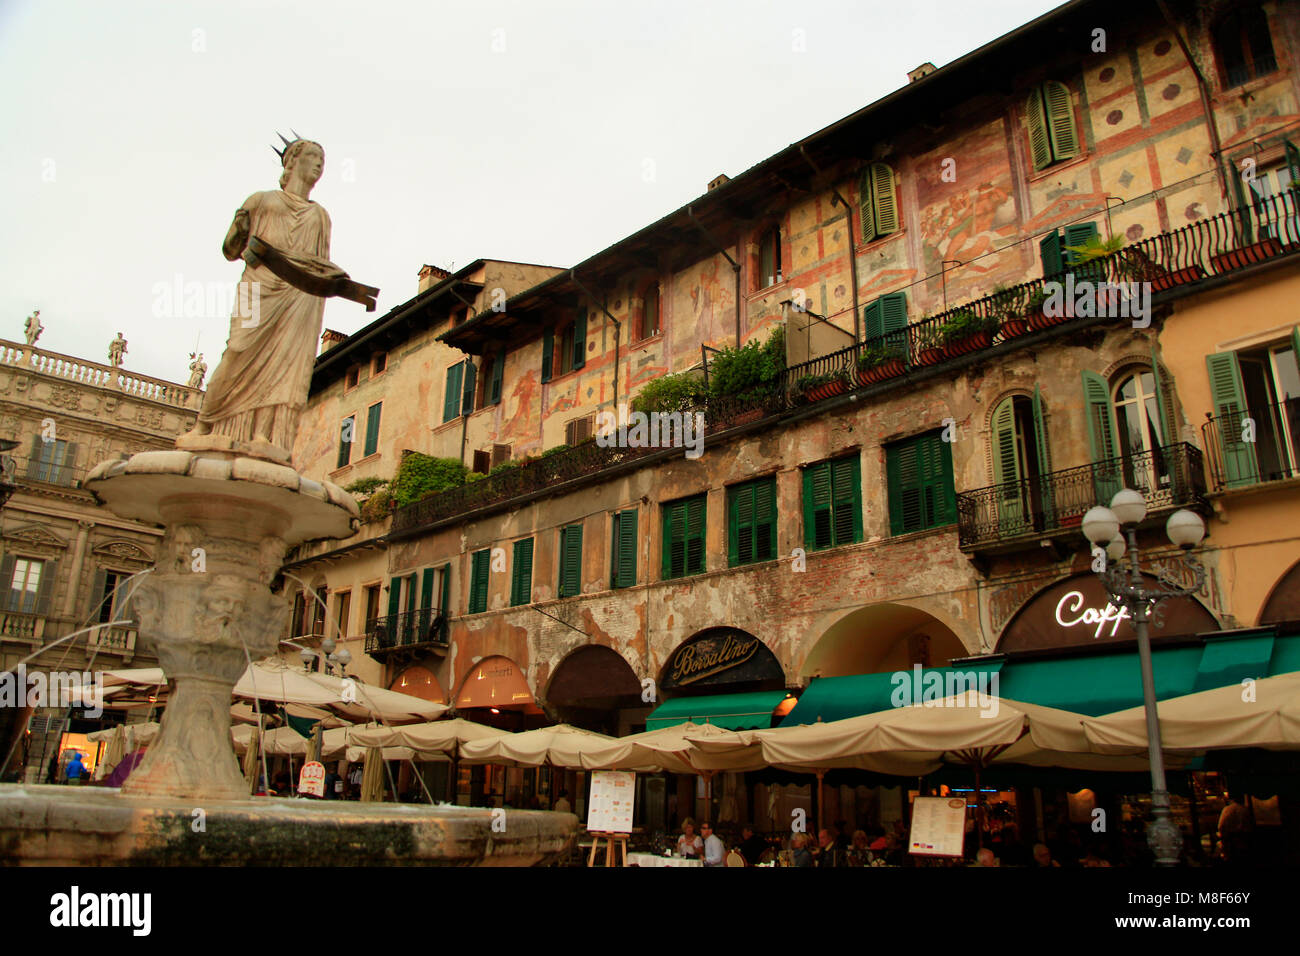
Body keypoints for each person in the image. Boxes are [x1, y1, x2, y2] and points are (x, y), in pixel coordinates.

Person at [1218, 793, 1249, 864]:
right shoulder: (1245, 810)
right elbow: (1248, 827)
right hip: (1243, 842)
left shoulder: (1227, 810)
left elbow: (1221, 826)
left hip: (1230, 843)